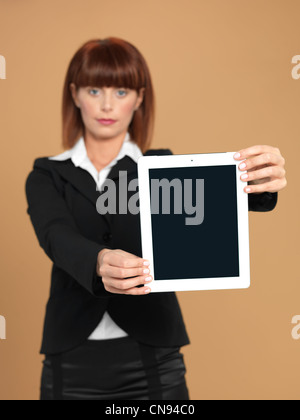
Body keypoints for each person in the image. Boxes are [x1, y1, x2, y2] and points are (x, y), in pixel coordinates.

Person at [25, 38, 287, 401]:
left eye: (121, 91)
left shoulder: (161, 168)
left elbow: (211, 202)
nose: (106, 104)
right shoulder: (47, 174)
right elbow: (56, 235)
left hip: (153, 358)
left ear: (140, 98)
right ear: (75, 94)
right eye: (94, 89)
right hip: (70, 359)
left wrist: (259, 181)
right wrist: (99, 261)